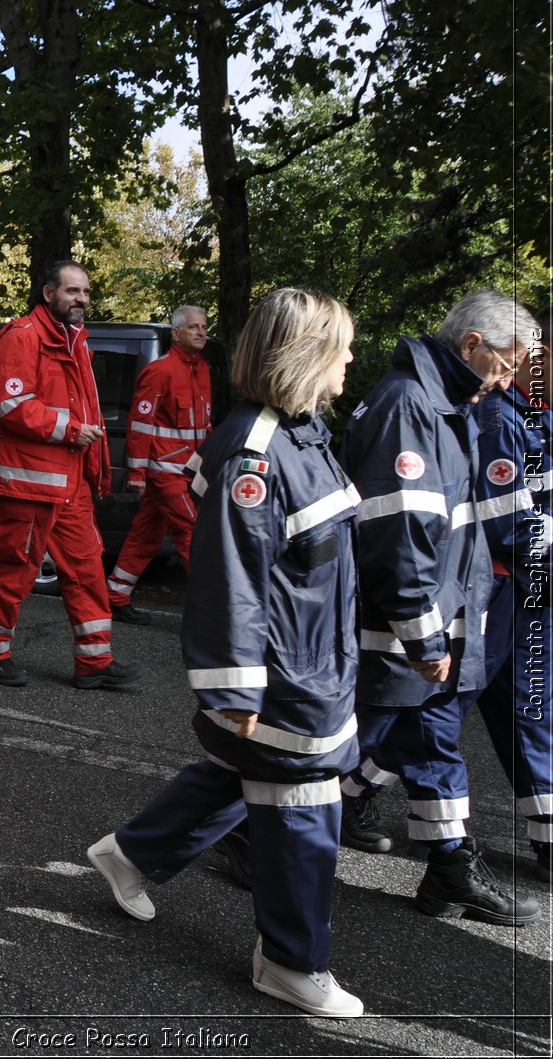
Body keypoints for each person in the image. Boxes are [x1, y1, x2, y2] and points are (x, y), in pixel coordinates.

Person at [87, 288, 364, 1017]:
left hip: (307, 662)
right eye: (341, 345)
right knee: (302, 806)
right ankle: (290, 961)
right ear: (305, 355)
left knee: (236, 777)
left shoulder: (300, 433)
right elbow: (230, 575)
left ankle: (131, 855)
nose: (351, 358)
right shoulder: (260, 448)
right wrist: (235, 689)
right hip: (286, 674)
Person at [338, 290, 539, 926]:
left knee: (431, 734)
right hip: (406, 622)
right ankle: (217, 831)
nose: (508, 381)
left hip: (433, 612)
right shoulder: (412, 405)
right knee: (337, 745)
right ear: (472, 346)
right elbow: (401, 540)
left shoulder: (442, 401)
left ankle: (450, 866)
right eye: (504, 366)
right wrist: (428, 638)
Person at [0, 261, 140, 690]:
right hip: (32, 483)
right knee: (16, 569)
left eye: (85, 291)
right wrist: (71, 430)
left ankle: (94, 662)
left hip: (70, 482)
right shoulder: (22, 337)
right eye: (72, 291)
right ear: (48, 293)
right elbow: (10, 407)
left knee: (87, 569)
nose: (81, 299)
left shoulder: (76, 340)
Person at [473, 311, 551, 879]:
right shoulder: (504, 418)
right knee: (527, 704)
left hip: (529, 585)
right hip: (511, 586)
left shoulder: (538, 413)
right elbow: (512, 526)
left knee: (525, 707)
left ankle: (353, 788)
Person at [107, 305, 212, 624]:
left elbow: (204, 424)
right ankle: (210, 612)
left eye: (204, 326)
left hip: (190, 470)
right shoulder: (160, 370)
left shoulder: (203, 368)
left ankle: (116, 595)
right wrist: (137, 472)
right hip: (166, 472)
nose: (201, 332)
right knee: (193, 531)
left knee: (146, 535)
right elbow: (140, 423)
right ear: (176, 333)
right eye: (193, 327)